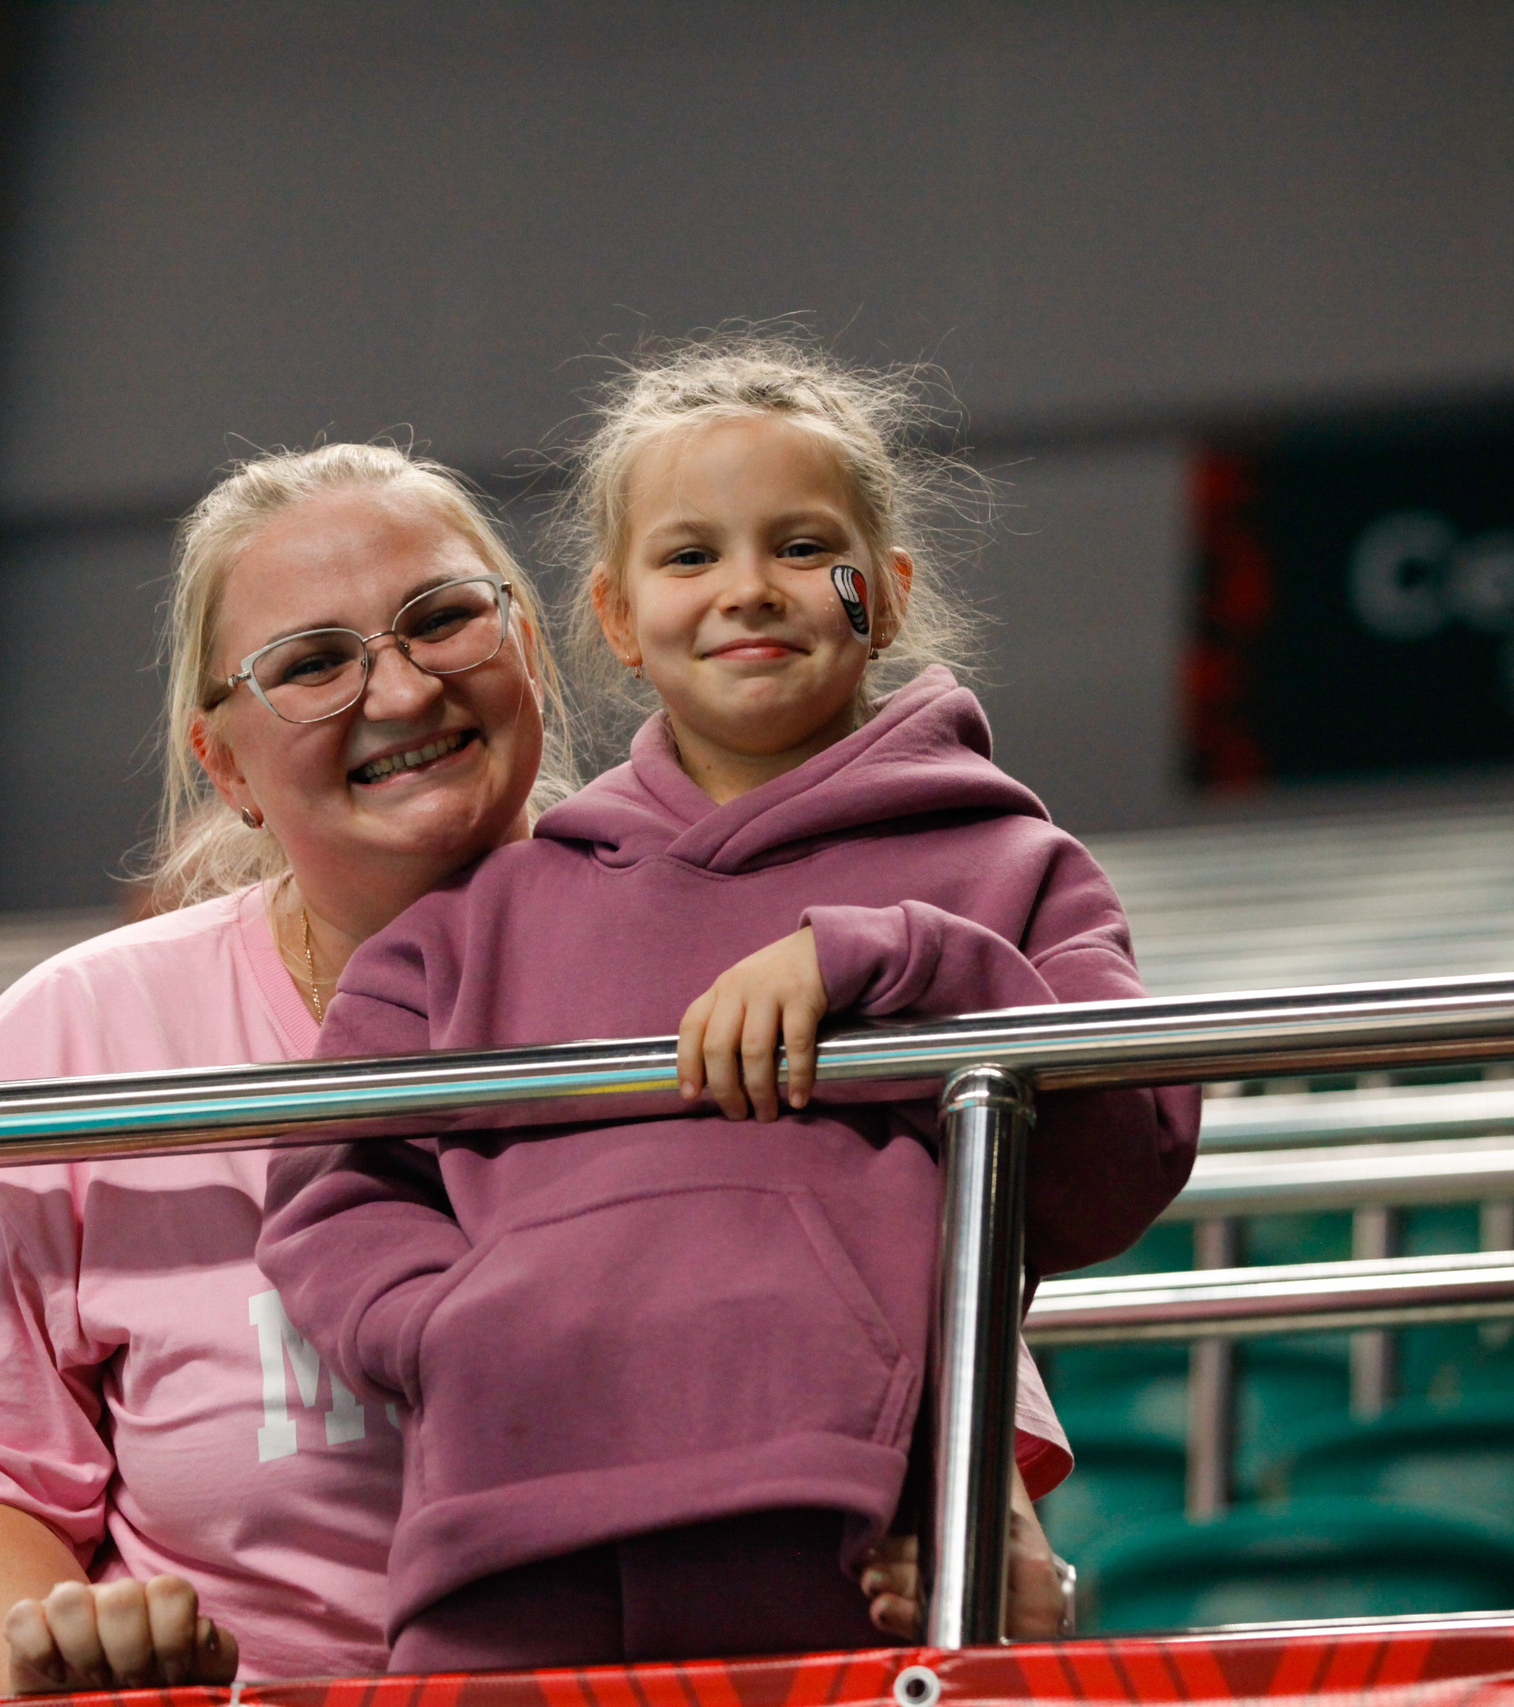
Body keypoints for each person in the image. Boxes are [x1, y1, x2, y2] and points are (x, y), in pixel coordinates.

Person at [0, 440, 976, 1694]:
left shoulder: (760, 953)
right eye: (313, 665)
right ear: (225, 766)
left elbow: (943, 1367)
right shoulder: (66, 1049)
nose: (398, 691)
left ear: (533, 651)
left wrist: (979, 1556)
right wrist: (61, 1659)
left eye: (442, 622)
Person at [260, 336, 1201, 1672]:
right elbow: (329, 1189)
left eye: (802, 543)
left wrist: (899, 963)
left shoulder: (1010, 869)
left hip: (849, 1545)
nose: (747, 589)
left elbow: (1129, 1152)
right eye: (690, 555)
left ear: (885, 589)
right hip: (505, 1554)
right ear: (615, 617)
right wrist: (460, 1327)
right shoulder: (476, 922)